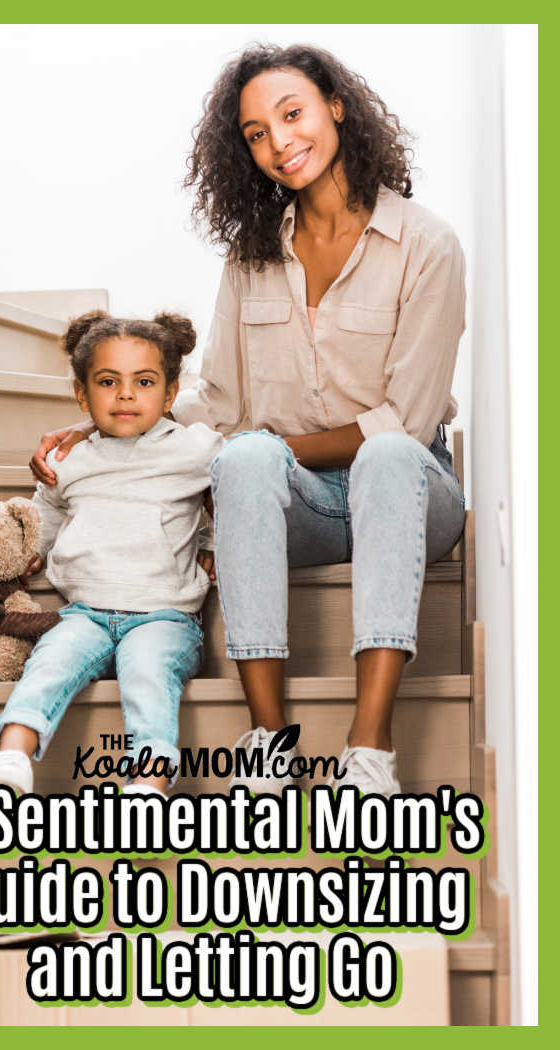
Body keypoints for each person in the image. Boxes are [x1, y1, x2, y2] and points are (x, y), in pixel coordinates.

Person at [30, 44, 466, 799]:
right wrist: (116, 431)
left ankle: (370, 746)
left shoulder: (426, 243)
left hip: (413, 491)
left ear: (335, 104)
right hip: (300, 502)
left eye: (290, 114)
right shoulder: (252, 255)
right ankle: (269, 741)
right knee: (242, 462)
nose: (278, 141)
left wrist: (272, 444)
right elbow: (223, 402)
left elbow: (405, 416)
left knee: (386, 454)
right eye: (256, 132)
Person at [0, 310, 223, 802]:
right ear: (83, 395)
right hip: (84, 614)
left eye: (144, 382)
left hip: (164, 617)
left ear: (170, 394)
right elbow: (48, 515)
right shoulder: (70, 458)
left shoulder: (194, 449)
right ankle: (12, 757)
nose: (126, 394)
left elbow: (237, 490)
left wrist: (211, 543)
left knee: (147, 679)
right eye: (108, 382)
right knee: (48, 664)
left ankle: (146, 788)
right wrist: (30, 555)